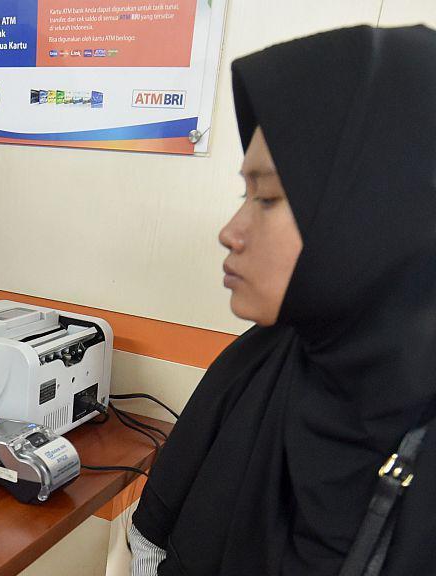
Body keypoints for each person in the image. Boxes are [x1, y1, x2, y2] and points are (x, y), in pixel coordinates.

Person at [129, 24, 436, 575]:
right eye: (244, 193)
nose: (231, 230)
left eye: (268, 197)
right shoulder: (263, 365)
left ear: (381, 213)